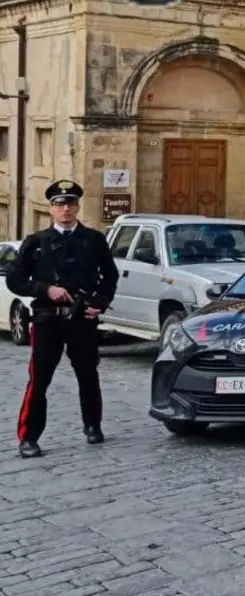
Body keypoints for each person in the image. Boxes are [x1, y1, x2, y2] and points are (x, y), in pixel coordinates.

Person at [10, 180, 119, 458]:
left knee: (88, 375)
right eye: (60, 204)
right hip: (48, 319)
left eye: (70, 203)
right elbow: (15, 279)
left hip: (82, 319)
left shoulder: (93, 240)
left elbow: (110, 276)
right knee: (39, 379)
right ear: (51, 209)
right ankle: (29, 437)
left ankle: (93, 425)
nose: (66, 209)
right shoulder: (37, 242)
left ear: (78, 207)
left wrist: (100, 304)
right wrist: (46, 289)